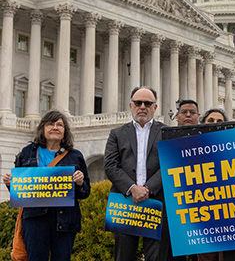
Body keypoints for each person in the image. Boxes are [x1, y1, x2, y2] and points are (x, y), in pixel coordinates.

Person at [2, 109, 90, 260]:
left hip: (65, 220)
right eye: (50, 124)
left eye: (59, 125)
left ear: (65, 131)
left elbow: (85, 192)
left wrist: (80, 182)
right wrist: (10, 184)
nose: (55, 128)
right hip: (35, 220)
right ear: (43, 128)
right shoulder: (27, 153)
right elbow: (20, 191)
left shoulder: (75, 156)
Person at [104, 86, 164, 261]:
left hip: (156, 202)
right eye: (138, 103)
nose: (142, 106)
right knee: (123, 256)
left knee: (156, 257)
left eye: (148, 103)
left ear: (155, 107)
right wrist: (132, 188)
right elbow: (110, 165)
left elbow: (168, 164)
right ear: (131, 105)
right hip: (125, 203)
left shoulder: (166, 132)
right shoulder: (116, 134)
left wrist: (148, 189)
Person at [197, 108, 229, 261]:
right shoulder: (191, 151)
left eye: (219, 122)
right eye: (210, 121)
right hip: (204, 219)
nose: (215, 124)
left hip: (232, 219)